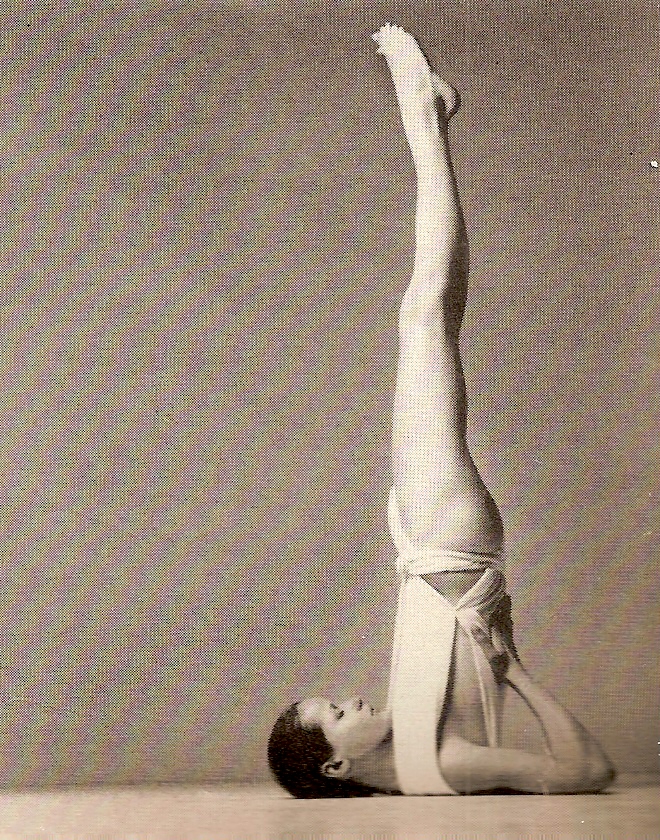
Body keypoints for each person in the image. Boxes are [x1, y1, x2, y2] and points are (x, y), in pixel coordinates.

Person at [267, 24, 615, 798]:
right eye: (338, 713)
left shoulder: (411, 758)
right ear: (337, 764)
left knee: (427, 319)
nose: (354, 700)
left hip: (430, 551)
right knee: (424, 317)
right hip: (447, 547)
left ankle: (431, 121)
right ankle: (426, 119)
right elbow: (587, 773)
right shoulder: (442, 765)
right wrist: (515, 672)